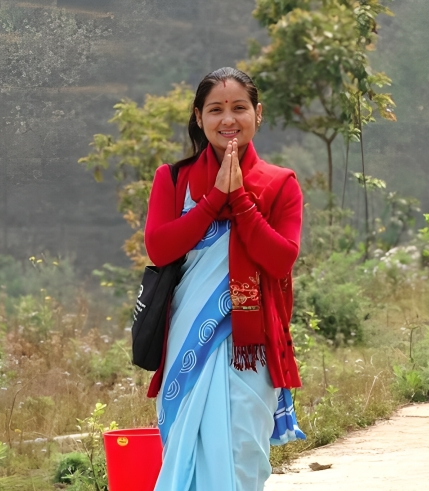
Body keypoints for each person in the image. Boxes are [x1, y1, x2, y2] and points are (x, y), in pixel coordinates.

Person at [143, 67, 305, 490]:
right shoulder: (173, 179)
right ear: (199, 117)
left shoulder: (279, 185)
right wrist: (215, 198)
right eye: (216, 109)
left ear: (258, 113)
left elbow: (281, 259)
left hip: (247, 349)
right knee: (187, 448)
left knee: (240, 458)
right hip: (186, 344)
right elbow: (160, 249)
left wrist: (241, 202)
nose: (228, 119)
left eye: (239, 108)